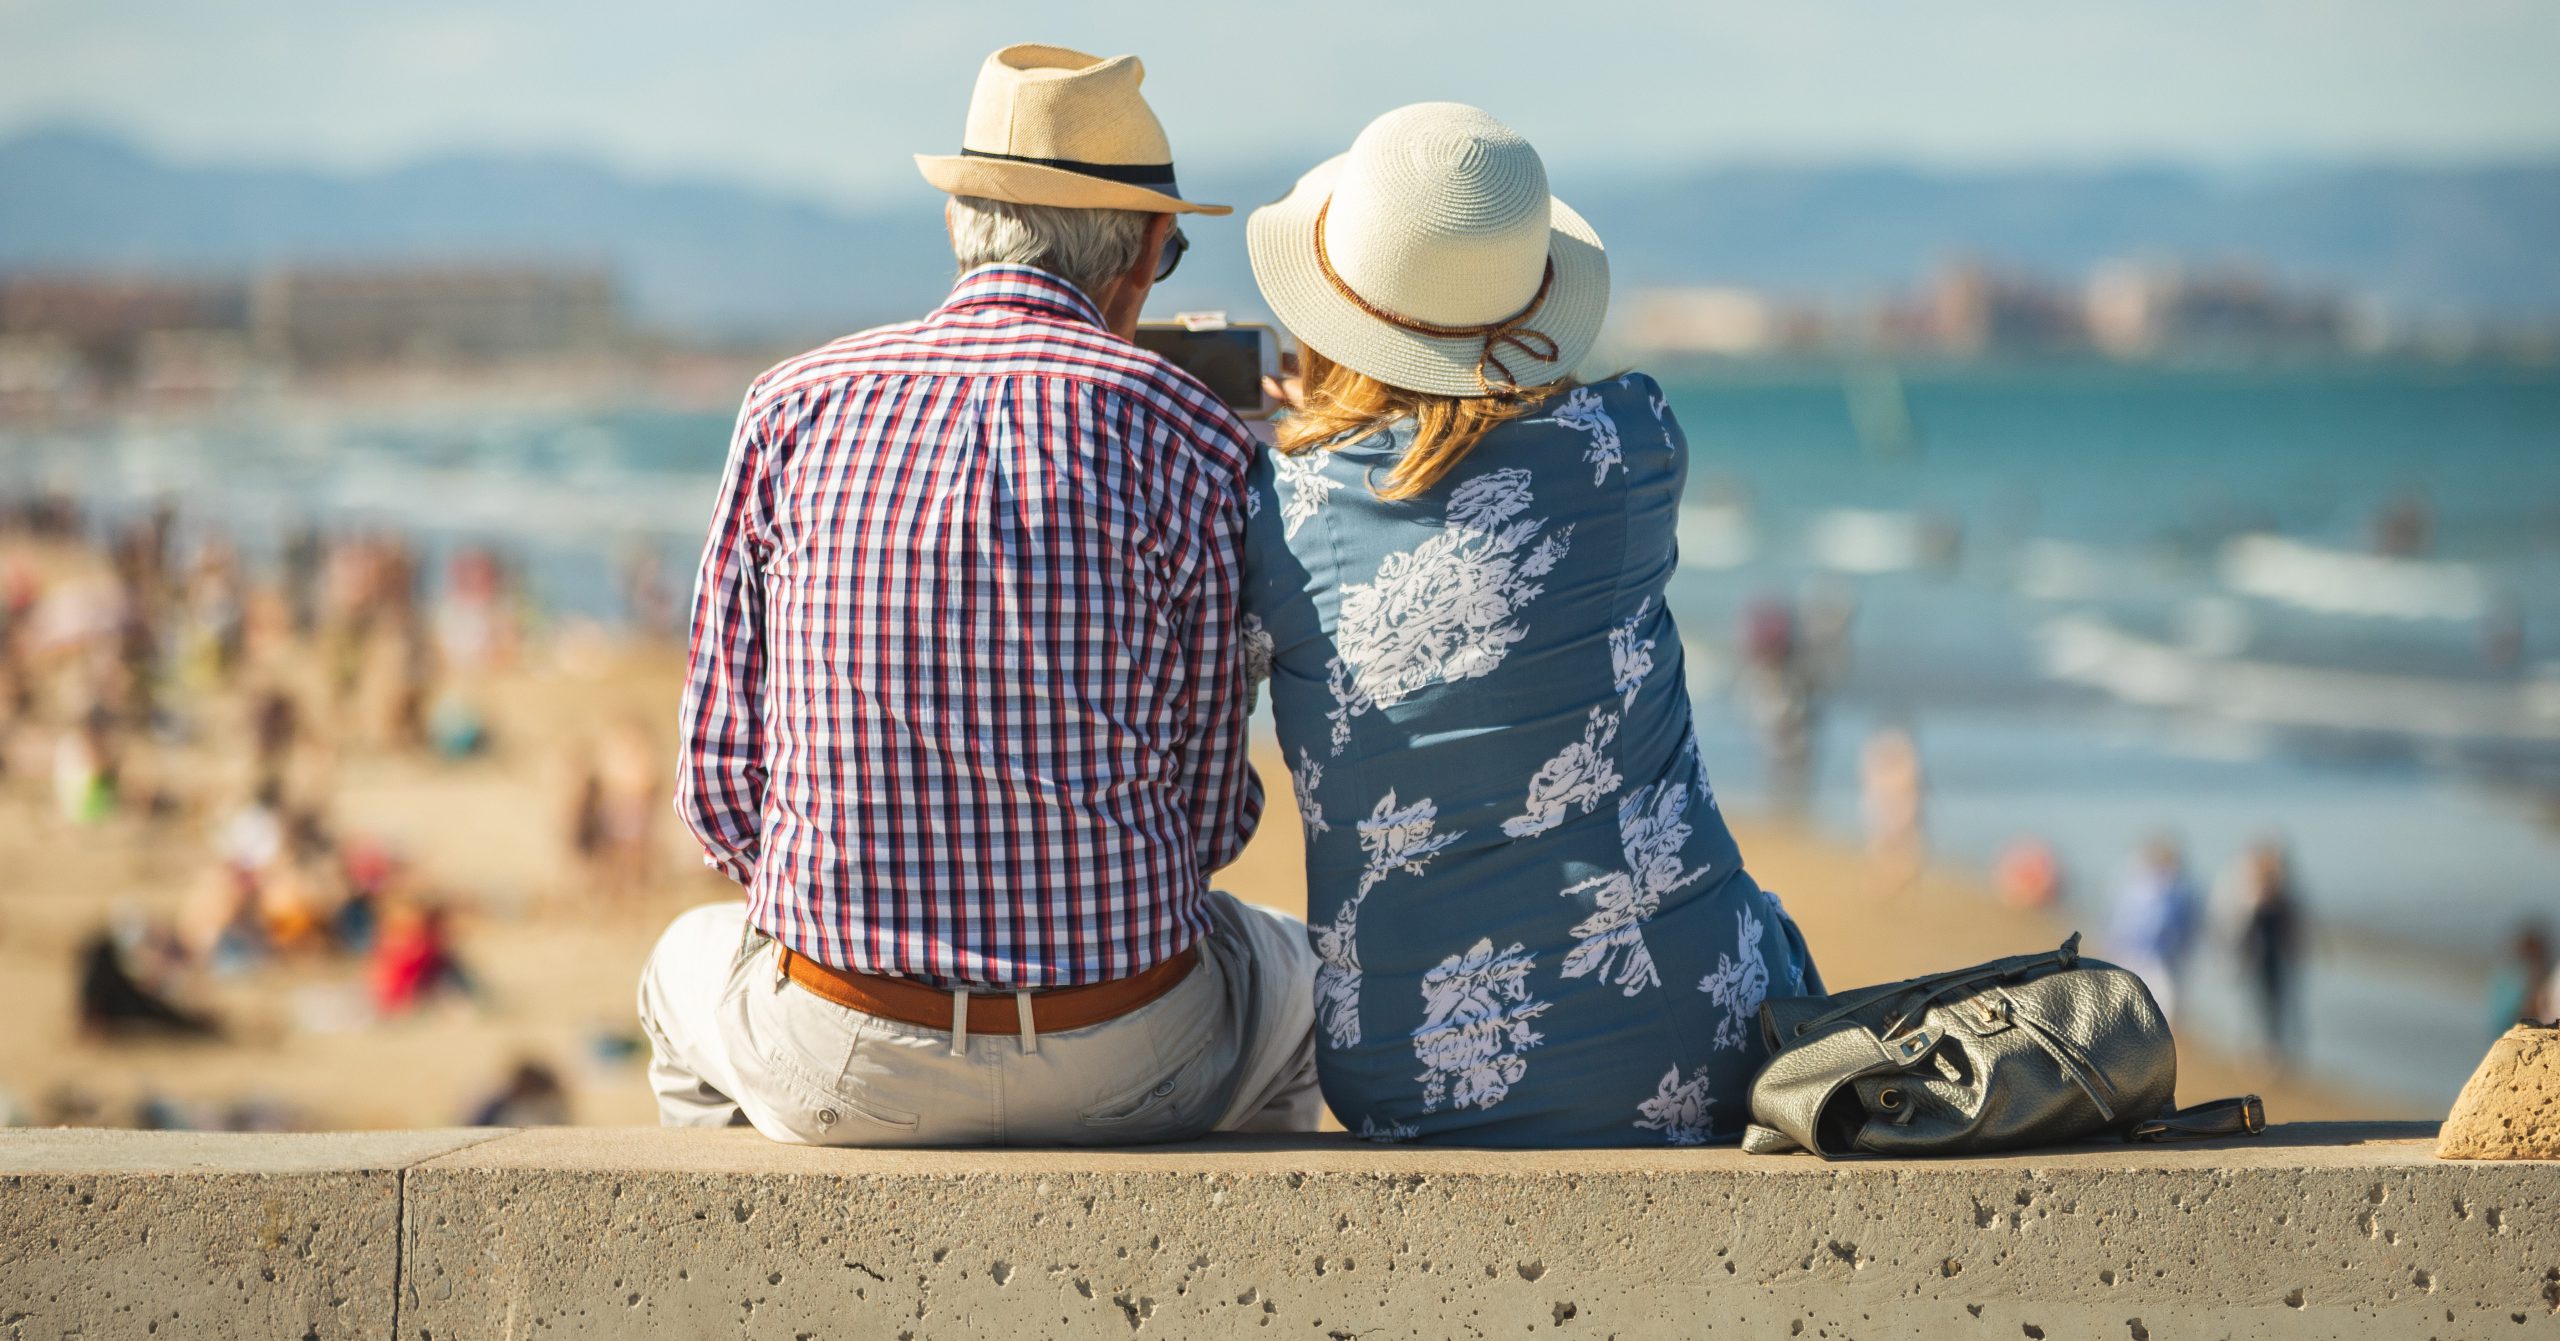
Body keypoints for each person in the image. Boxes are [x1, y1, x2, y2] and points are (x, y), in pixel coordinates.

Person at [640, 44, 1318, 1147]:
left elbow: (720, 803)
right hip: (1128, 1053)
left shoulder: (790, 406)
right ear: (1146, 251)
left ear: (960, 220)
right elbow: (1208, 822)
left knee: (681, 965)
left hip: (843, 1057)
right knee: (1291, 979)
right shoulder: (1192, 438)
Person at [1239, 103, 1819, 1146]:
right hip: (1691, 1036)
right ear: (1533, 290)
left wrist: (1296, 429)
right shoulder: (1634, 443)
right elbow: (1481, 448)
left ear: (1334, 306)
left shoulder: (1273, 508)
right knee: (1765, 925)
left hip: (1405, 1071)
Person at [2215, 836, 2304, 1060]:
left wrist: (2295, 953)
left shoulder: (2283, 898)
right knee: (2252, 1004)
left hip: (2274, 961)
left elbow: (2291, 930)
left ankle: (2274, 1050)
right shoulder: (2251, 898)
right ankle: (2253, 1049)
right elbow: (2241, 934)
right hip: (2255, 961)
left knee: (2275, 1006)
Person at [2110, 835, 2203, 1021]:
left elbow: (2186, 927)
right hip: (2137, 958)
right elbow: (2122, 925)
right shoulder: (2138, 888)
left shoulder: (2178, 891)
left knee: (2165, 1009)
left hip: (2163, 961)